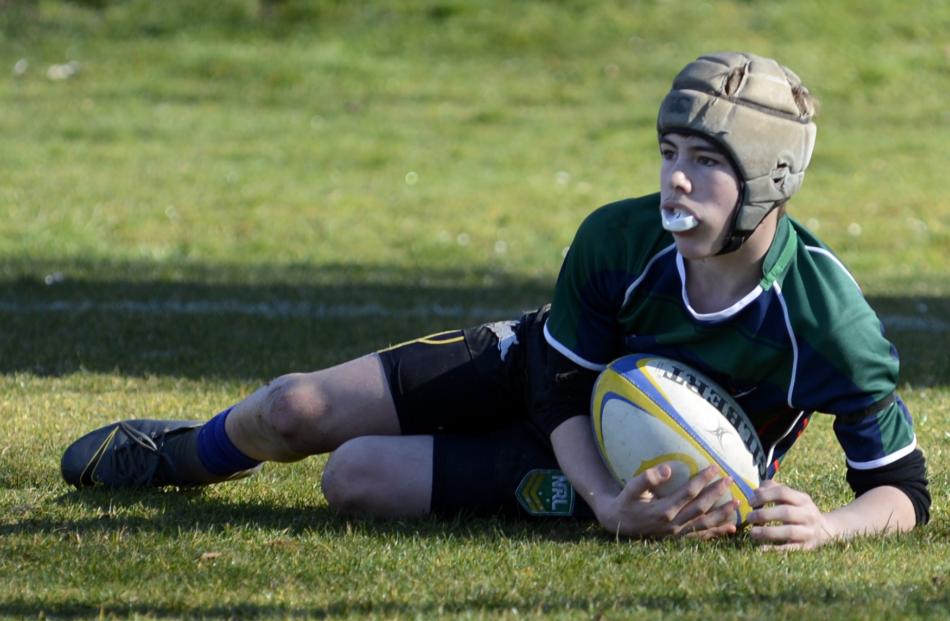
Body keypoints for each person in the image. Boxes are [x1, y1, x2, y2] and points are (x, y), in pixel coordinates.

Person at [61, 52, 929, 550]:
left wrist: (830, 526)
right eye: (669, 149)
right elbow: (557, 382)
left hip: (644, 468)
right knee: (294, 408)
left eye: (706, 162)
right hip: (545, 382)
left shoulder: (828, 321)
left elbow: (900, 489)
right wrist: (601, 501)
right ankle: (177, 456)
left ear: (770, 180)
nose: (674, 179)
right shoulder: (616, 240)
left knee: (352, 478)